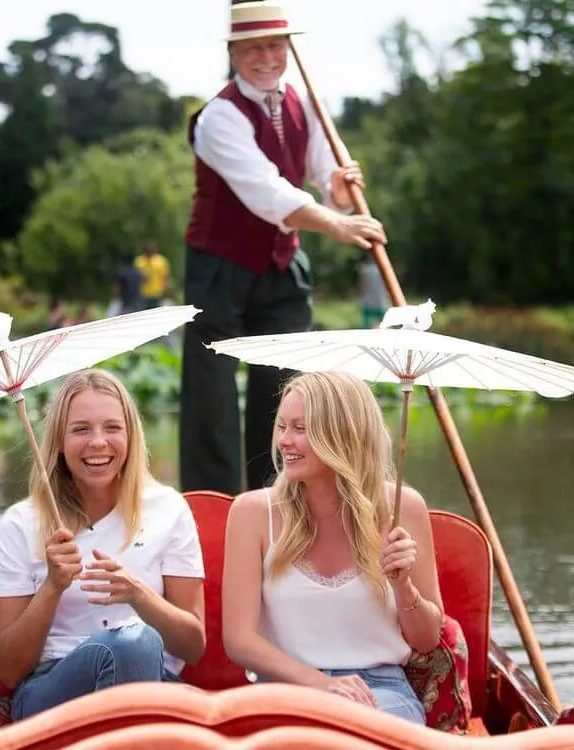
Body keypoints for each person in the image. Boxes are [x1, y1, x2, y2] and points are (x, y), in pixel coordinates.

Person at [180, 1, 388, 496]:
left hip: (282, 265)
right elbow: (269, 194)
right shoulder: (218, 117)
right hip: (219, 265)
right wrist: (337, 223)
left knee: (285, 393)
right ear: (233, 52)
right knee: (212, 399)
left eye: (275, 45)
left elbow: (320, 174)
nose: (266, 57)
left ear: (289, 49)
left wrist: (340, 188)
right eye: (253, 48)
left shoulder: (306, 104)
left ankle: (277, 501)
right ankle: (212, 507)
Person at [221, 371, 443, 724]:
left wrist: (402, 584)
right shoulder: (251, 513)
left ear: (341, 434)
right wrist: (321, 684)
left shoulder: (404, 508)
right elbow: (239, 640)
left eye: (300, 428)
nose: (284, 441)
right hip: (287, 687)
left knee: (363, 731)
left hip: (381, 691)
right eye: (282, 427)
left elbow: (428, 639)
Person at [0, 369, 206, 720]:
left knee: (138, 642)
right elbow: (9, 671)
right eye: (80, 429)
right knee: (133, 643)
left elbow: (193, 647)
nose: (98, 442)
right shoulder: (21, 523)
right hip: (51, 689)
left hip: (152, 682)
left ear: (131, 436)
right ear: (59, 441)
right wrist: (52, 587)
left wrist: (138, 594)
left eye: (112, 427)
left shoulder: (168, 509)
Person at [135, 242, 170, 309]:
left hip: (156, 293)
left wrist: (165, 289)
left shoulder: (161, 261)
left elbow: (165, 276)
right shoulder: (139, 261)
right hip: (142, 293)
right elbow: (135, 276)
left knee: (154, 313)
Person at [359, 257, 391, 328]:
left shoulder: (364, 270)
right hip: (381, 298)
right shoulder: (384, 269)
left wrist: (361, 296)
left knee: (367, 322)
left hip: (368, 298)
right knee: (383, 322)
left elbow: (362, 285)